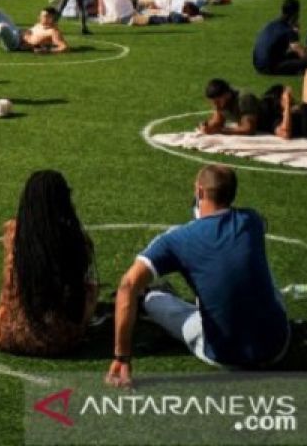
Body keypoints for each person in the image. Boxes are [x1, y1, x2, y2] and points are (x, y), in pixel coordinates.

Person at [105, 164, 289, 388]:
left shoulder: (177, 239)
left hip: (225, 353)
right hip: (277, 344)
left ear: (200, 191)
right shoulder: (251, 220)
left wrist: (121, 357)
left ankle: (155, 297)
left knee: (154, 302)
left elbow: (127, 286)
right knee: (261, 271)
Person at [0, 170, 97, 356]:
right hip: (58, 341)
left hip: (6, 332)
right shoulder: (75, 240)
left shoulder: (12, 233)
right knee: (91, 288)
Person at [253, 0, 307, 75]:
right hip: (270, 67)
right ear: (295, 13)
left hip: (258, 65)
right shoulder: (288, 30)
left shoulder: (271, 24)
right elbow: (302, 54)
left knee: (294, 55)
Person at [0, 7, 69, 54]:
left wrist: (47, 50)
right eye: (41, 15)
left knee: (2, 26)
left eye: (43, 16)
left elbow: (64, 47)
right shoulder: (40, 24)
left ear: (51, 18)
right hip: (17, 32)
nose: (40, 17)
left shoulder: (53, 32)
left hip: (16, 44)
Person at [199, 79, 276, 136]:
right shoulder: (221, 103)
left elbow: (249, 129)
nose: (216, 106)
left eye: (218, 102)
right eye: (213, 103)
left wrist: (220, 131)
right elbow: (218, 121)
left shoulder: (244, 99)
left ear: (227, 95)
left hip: (272, 121)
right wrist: (207, 126)